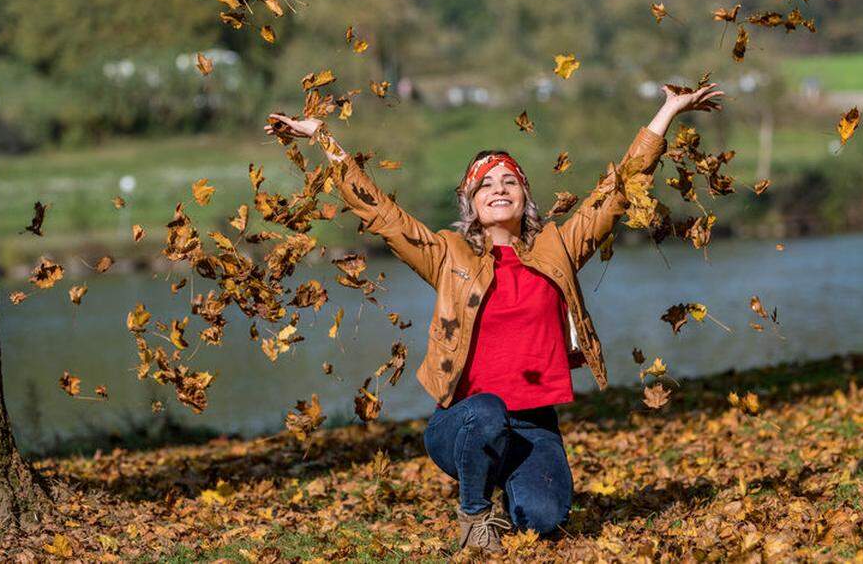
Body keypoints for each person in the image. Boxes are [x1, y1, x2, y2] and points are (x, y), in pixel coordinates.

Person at [264, 81, 723, 552]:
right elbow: (382, 214)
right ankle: (474, 514)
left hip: (533, 424)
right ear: (471, 202)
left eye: (510, 182)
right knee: (487, 412)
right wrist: (324, 139)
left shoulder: (557, 248)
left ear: (524, 196)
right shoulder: (447, 254)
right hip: (464, 422)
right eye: (486, 184)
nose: (498, 189)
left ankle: (511, 493)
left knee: (543, 521)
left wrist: (667, 111)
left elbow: (618, 191)